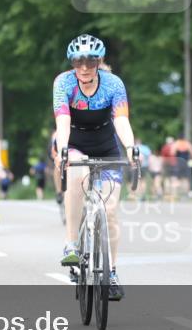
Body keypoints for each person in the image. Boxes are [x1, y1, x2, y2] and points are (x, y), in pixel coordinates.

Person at [54, 34, 135, 300]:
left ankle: (110, 272)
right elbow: (63, 120)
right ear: (73, 63)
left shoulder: (113, 84)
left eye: (90, 61)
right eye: (79, 62)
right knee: (77, 176)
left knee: (110, 211)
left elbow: (121, 120)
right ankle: (71, 244)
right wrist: (64, 150)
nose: (85, 68)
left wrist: (131, 147)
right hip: (74, 140)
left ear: (99, 62)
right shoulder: (63, 83)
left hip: (105, 144)